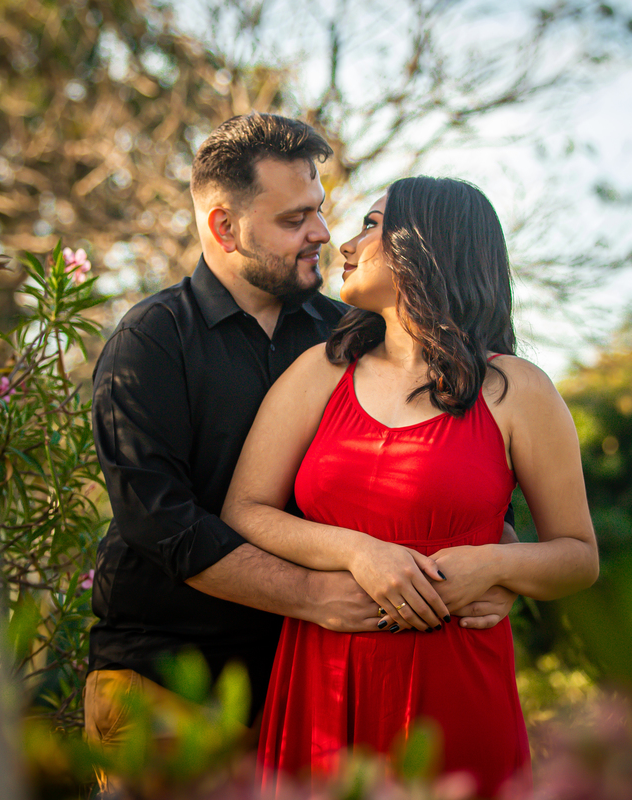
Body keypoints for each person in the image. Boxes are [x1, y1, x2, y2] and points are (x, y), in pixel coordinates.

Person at [85, 115, 517, 795]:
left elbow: (459, 483)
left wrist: (493, 574)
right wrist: (314, 594)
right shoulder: (152, 340)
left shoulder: (346, 338)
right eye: (295, 219)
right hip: (166, 683)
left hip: (311, 685)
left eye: (319, 210)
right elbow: (158, 521)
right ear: (224, 228)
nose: (321, 232)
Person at [222, 178, 598, 797]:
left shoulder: (518, 391)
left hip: (457, 694)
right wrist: (356, 552)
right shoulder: (321, 371)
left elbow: (579, 558)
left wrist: (493, 567)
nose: (344, 243)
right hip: (325, 680)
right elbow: (245, 509)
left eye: (370, 225)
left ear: (426, 246)